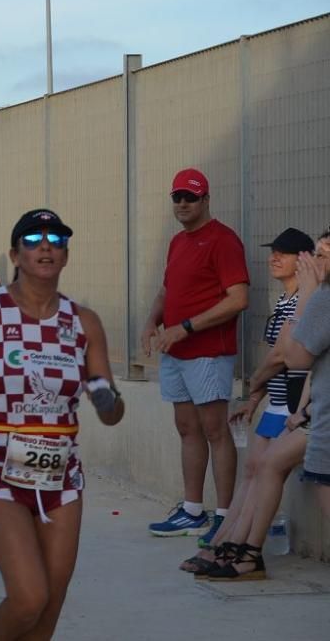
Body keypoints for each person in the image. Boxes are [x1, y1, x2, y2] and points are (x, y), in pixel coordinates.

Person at [0, 208, 125, 640]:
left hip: (62, 475)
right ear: (14, 255)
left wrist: (106, 399)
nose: (46, 247)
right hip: (1, 468)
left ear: (66, 256)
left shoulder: (84, 321)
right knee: (28, 597)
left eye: (56, 241)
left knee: (50, 608)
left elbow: (108, 403)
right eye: (34, 240)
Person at [177, 228, 314, 578]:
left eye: (284, 253)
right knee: (253, 471)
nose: (274, 258)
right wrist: (255, 398)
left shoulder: (306, 301)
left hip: (293, 408)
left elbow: (283, 356)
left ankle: (243, 549)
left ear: (304, 260)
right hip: (277, 403)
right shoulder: (284, 301)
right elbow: (276, 356)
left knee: (265, 470)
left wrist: (256, 381)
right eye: (274, 251)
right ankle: (225, 543)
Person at [142, 168, 250, 546]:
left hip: (207, 352)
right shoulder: (178, 242)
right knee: (187, 429)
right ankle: (191, 510)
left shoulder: (223, 240)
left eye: (191, 197)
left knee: (215, 431)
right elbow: (167, 289)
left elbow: (238, 299)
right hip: (175, 352)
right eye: (178, 198)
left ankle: (225, 515)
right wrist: (151, 322)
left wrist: (185, 327)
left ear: (206, 200)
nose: (183, 204)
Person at [284, 229, 330, 517]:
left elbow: (294, 358)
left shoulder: (324, 299)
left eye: (322, 256)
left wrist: (307, 296)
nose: (314, 262)